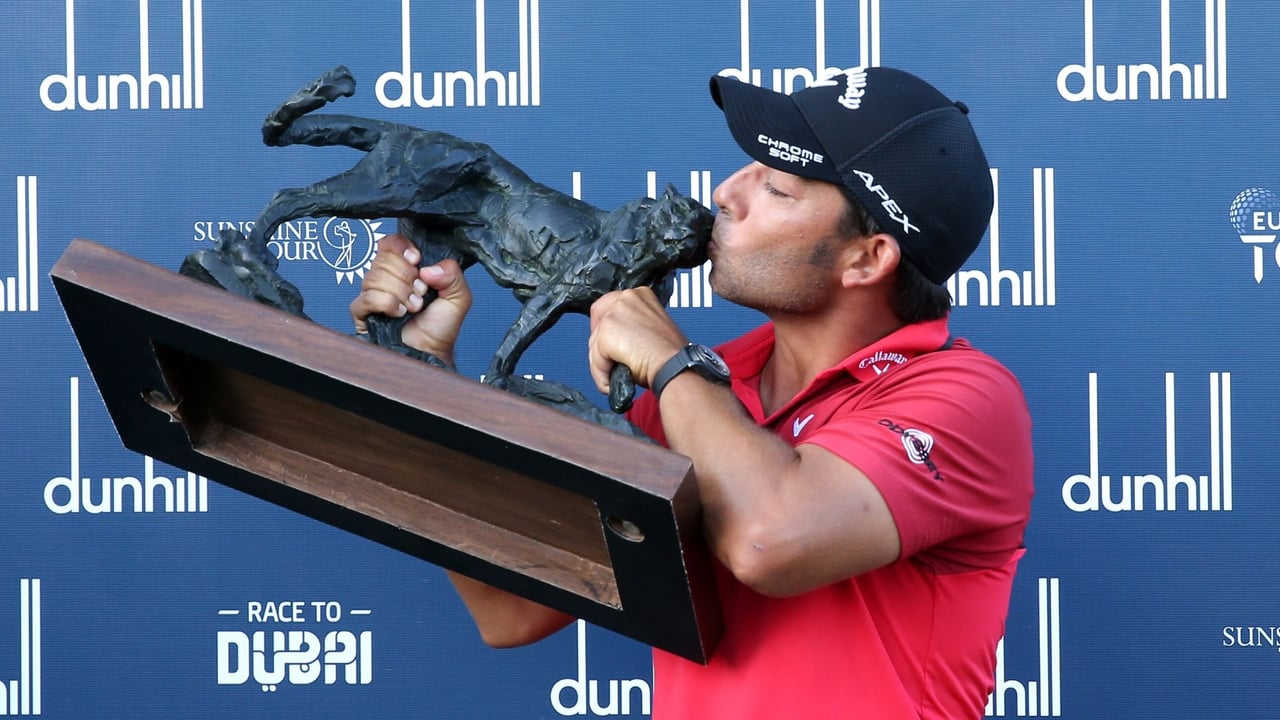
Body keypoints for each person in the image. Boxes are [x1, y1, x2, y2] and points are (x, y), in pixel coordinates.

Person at [351, 66, 1033, 719]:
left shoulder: (966, 400)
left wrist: (670, 362)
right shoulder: (698, 391)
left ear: (867, 258)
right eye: (748, 168)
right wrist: (421, 376)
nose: (727, 194)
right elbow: (511, 610)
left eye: (777, 188)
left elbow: (766, 542)